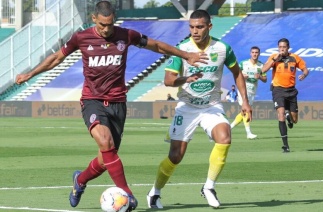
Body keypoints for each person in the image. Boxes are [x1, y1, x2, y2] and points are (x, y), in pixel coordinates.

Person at [15, 1, 207, 211]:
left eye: (110, 24)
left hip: (118, 104)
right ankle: (128, 195)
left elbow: (157, 46)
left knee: (106, 159)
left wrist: (187, 55)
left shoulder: (126, 35)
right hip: (93, 101)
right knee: (105, 143)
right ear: (94, 19)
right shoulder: (81, 38)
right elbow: (56, 58)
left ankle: (80, 180)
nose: (107, 29)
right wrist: (30, 74)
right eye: (102, 25)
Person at [146, 9, 252, 209]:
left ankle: (209, 187)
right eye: (192, 27)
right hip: (187, 107)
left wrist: (244, 102)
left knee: (225, 137)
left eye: (200, 27)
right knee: (175, 156)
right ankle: (155, 192)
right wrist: (186, 78)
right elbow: (168, 81)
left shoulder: (222, 48)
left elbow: (237, 73)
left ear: (209, 27)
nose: (195, 31)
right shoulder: (182, 49)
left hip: (211, 106)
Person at [261, 38, 309, 153]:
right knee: (280, 114)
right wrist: (274, 60)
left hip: (291, 91)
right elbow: (263, 70)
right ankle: (285, 145)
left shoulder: (295, 57)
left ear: (288, 47)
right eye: (280, 47)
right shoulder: (274, 57)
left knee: (295, 120)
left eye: (284, 47)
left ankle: (289, 116)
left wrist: (304, 75)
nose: (282, 49)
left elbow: (305, 69)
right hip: (278, 90)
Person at [230, 46, 267, 139]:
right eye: (253, 52)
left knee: (243, 112)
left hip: (252, 90)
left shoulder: (261, 65)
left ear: (259, 54)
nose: (255, 54)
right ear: (250, 53)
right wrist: (242, 77)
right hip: (243, 90)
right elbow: (236, 74)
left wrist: (260, 77)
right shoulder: (244, 63)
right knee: (247, 110)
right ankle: (248, 133)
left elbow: (265, 79)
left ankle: (228, 128)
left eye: (256, 52)